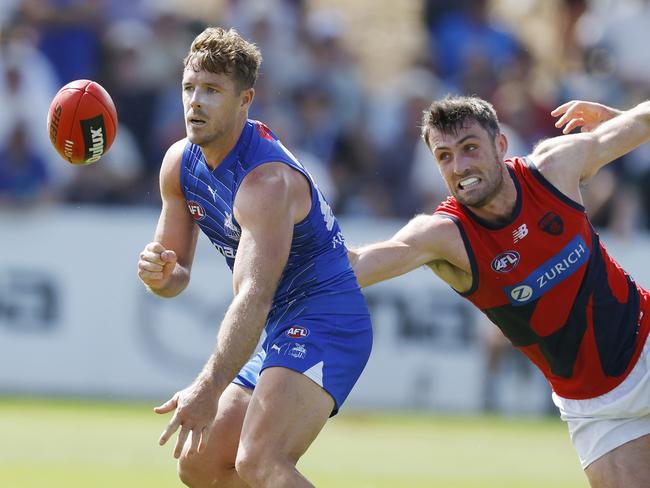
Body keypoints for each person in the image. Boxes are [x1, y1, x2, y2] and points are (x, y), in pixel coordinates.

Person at [349, 95, 650, 488]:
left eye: (470, 148)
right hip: (595, 411)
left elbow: (643, 121)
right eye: (444, 156)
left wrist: (621, 116)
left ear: (501, 145)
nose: (460, 167)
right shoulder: (443, 236)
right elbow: (352, 268)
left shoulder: (554, 168)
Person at [137, 27, 372, 488]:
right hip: (280, 324)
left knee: (260, 461)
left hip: (328, 319)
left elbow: (253, 296)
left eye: (212, 91)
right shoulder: (179, 162)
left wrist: (207, 388)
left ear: (245, 100)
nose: (196, 102)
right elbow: (174, 276)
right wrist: (158, 274)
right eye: (189, 88)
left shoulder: (265, 183)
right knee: (201, 464)